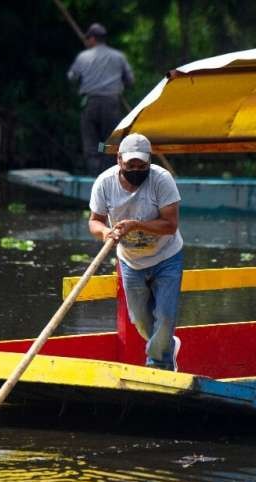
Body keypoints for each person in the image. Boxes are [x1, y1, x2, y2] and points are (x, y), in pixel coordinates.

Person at [88, 133, 184, 371]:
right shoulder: (105, 182)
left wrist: (136, 225)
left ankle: (159, 366)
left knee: (164, 316)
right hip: (131, 261)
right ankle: (167, 346)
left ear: (149, 161)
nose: (137, 170)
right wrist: (106, 233)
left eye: (142, 165)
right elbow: (95, 221)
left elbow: (171, 226)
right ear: (119, 160)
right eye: (131, 165)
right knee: (140, 320)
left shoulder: (161, 180)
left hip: (166, 257)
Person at [67, 22, 134, 176]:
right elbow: (130, 80)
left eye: (88, 38)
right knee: (108, 143)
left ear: (92, 39)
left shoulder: (83, 57)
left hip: (91, 104)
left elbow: (72, 77)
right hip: (111, 104)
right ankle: (109, 174)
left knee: (93, 143)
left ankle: (95, 174)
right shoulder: (119, 57)